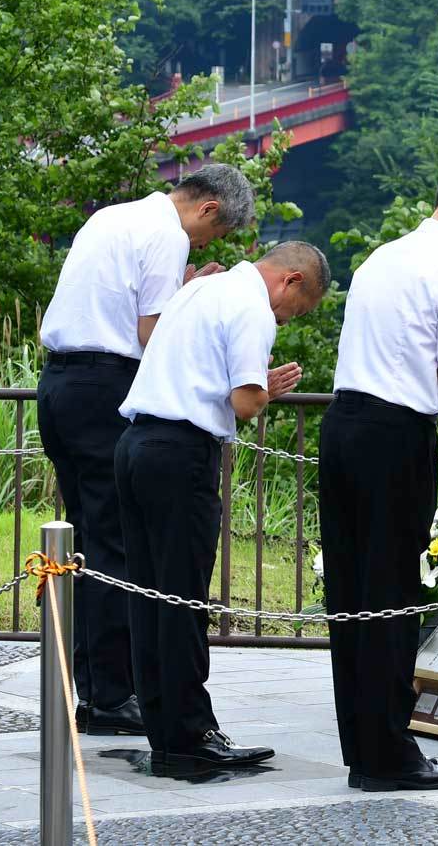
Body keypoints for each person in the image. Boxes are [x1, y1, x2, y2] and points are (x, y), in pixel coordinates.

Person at [35, 164, 254, 735]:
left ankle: (91, 688)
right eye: (214, 234)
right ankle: (112, 695)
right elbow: (152, 332)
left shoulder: (114, 216)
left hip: (58, 386)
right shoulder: (168, 234)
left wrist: (183, 291)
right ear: (207, 209)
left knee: (84, 538)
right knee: (114, 548)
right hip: (107, 385)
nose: (205, 246)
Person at [321, 161, 438, 792]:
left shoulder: (382, 258)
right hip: (394, 435)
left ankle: (362, 745)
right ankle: (391, 752)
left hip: (342, 424)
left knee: (349, 590)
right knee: (393, 590)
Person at [113, 240, 330, 768]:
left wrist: (254, 387)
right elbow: (244, 401)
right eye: (294, 310)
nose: (286, 317)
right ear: (291, 281)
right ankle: (193, 735)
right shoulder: (253, 307)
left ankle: (165, 733)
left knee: (146, 593)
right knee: (184, 595)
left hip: (137, 444)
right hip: (181, 454)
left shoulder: (201, 288)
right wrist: (266, 392)